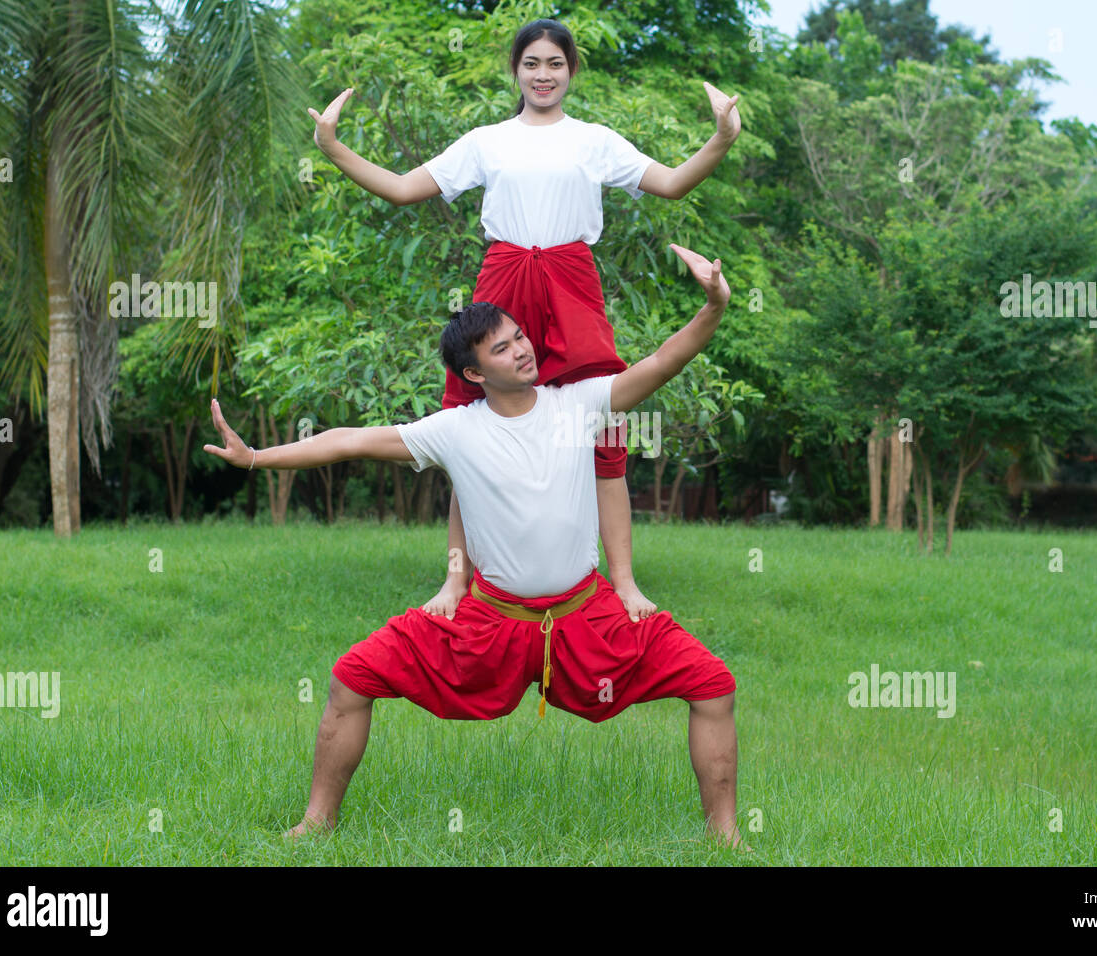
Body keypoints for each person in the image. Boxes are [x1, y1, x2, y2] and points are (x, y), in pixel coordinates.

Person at [203, 244, 745, 848]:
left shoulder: (580, 406)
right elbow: (347, 440)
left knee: (713, 683)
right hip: (490, 621)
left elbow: (665, 361)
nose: (523, 348)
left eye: (519, 336)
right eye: (503, 347)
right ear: (475, 374)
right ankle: (316, 823)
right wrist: (254, 458)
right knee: (351, 678)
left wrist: (714, 305)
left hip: (586, 616)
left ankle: (724, 839)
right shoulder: (453, 431)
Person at [307, 18, 743, 626]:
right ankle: (457, 578)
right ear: (516, 70)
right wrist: (332, 147)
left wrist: (722, 137)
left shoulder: (594, 140)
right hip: (503, 284)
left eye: (555, 63)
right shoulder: (488, 140)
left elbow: (670, 184)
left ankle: (622, 580)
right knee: (468, 429)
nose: (543, 74)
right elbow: (405, 189)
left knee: (605, 431)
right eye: (532, 63)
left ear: (571, 71)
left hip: (571, 285)